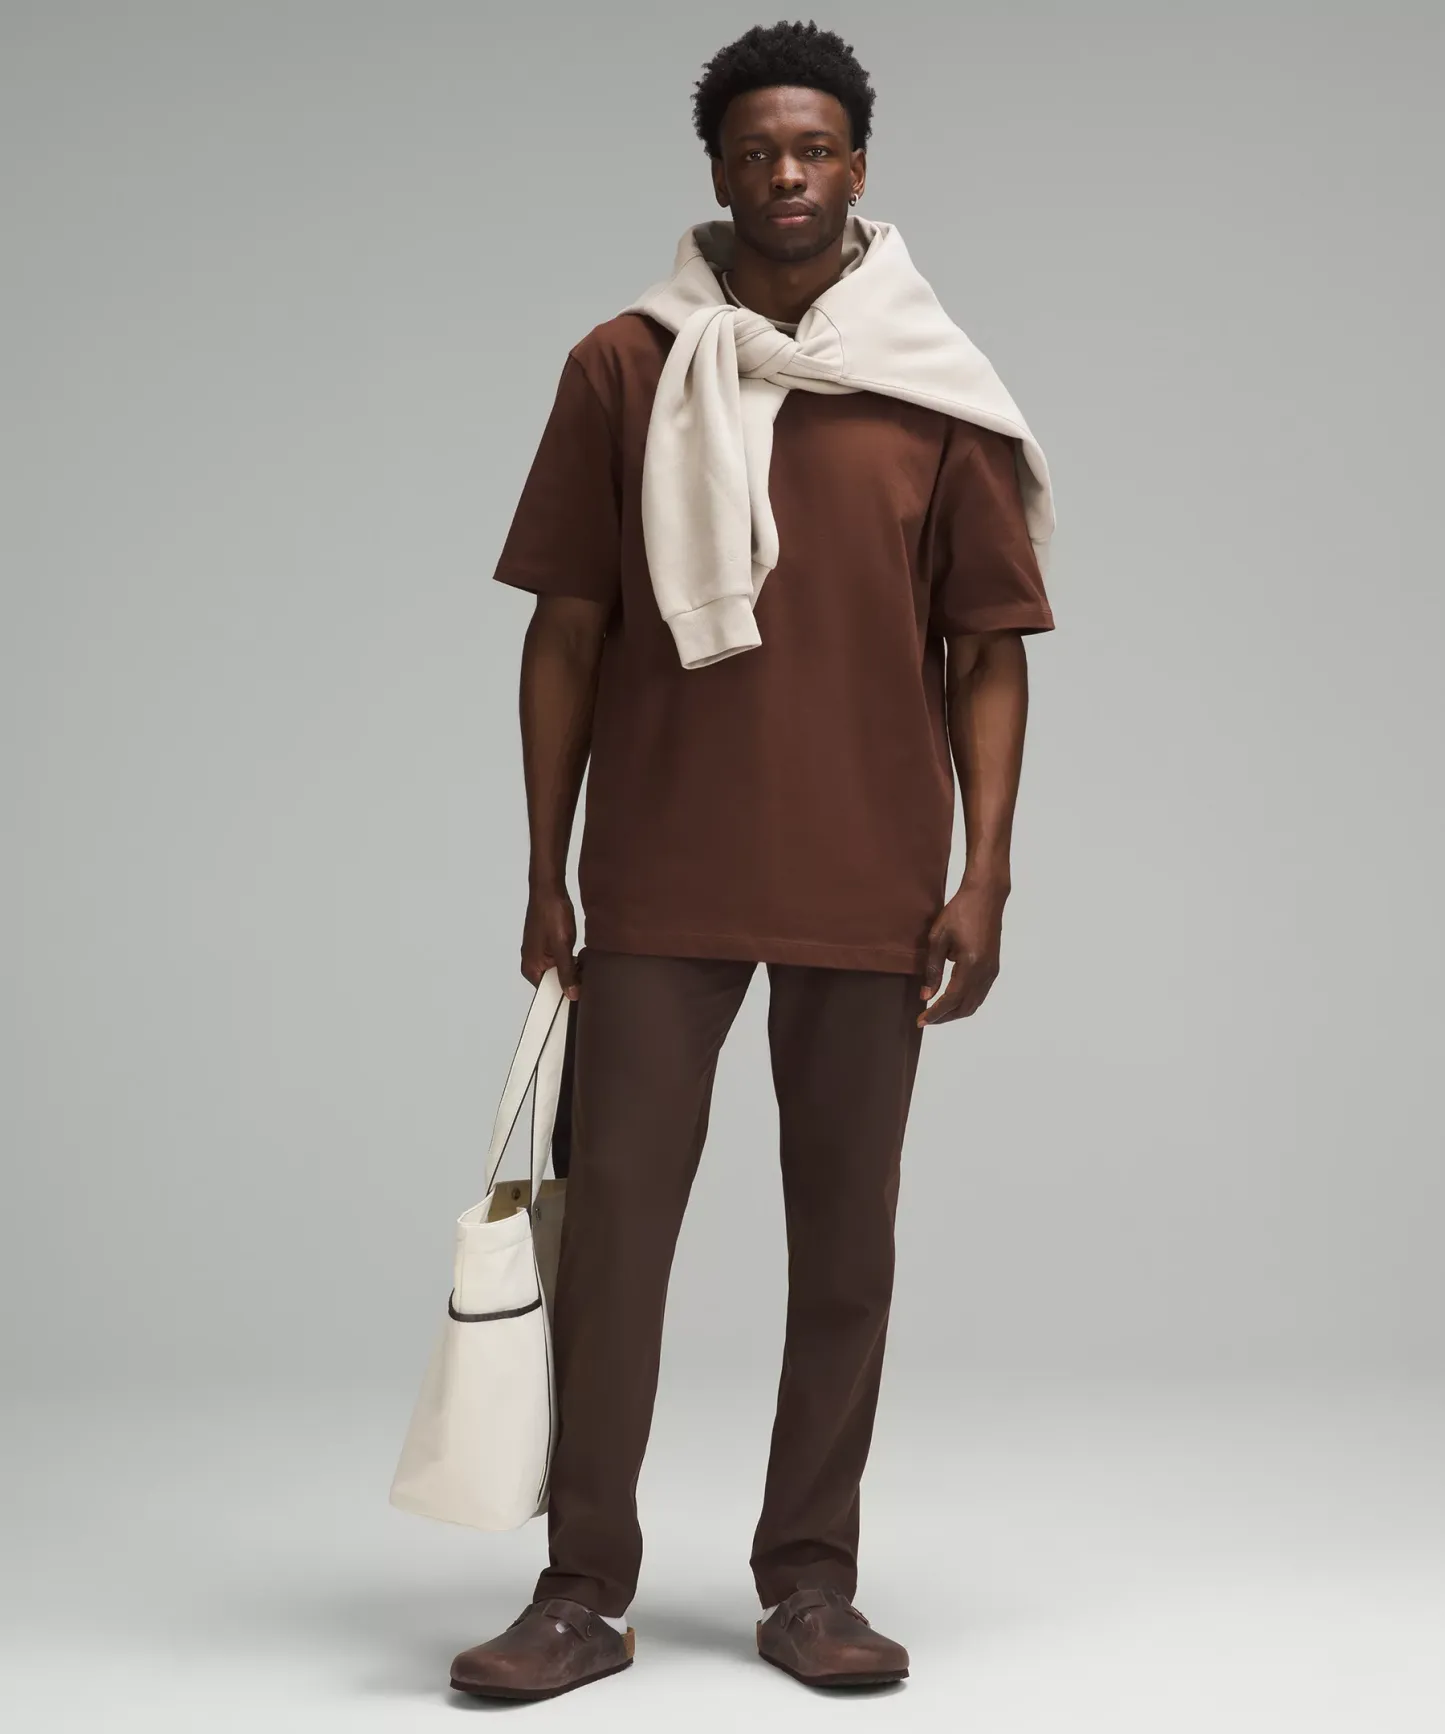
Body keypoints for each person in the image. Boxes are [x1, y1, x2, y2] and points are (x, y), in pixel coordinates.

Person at [449, 19, 1055, 1702]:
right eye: (753, 152)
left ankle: (810, 1580)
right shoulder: (624, 365)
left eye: (813, 149)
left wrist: (986, 872)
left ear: (859, 164)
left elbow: (989, 650)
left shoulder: (930, 385)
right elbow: (567, 631)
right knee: (615, 1239)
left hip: (874, 871)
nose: (784, 175)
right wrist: (545, 862)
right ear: (714, 170)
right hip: (660, 866)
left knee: (845, 1243)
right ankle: (581, 1589)